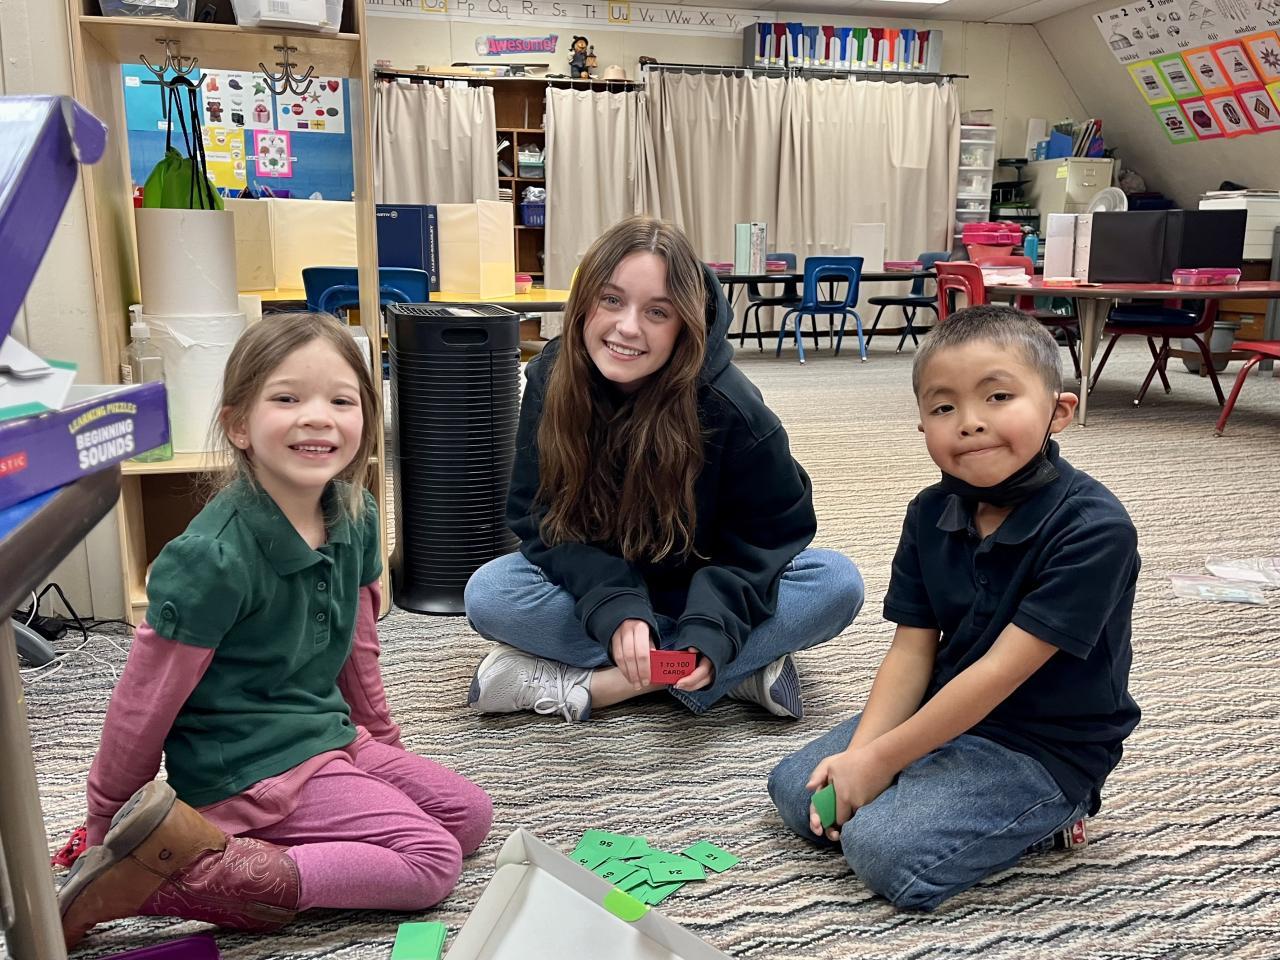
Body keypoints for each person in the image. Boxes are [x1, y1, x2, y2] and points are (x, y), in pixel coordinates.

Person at [59, 313, 492, 948]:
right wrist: (106, 828)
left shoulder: (358, 515)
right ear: (239, 425)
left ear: (367, 419)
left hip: (324, 737)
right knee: (430, 861)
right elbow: (141, 705)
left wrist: (381, 752)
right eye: (287, 398)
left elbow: (358, 654)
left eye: (341, 401)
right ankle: (183, 873)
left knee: (468, 816)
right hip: (244, 770)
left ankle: (233, 845)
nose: (318, 418)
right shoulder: (210, 558)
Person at [768, 305, 1141, 910]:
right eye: (944, 408)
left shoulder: (1095, 530)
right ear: (922, 425)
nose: (970, 423)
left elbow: (998, 675)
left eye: (998, 397)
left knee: (884, 850)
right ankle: (926, 780)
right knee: (794, 790)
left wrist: (881, 762)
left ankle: (1055, 816)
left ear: (1059, 411)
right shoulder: (928, 512)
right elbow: (911, 651)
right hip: (945, 708)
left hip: (1041, 746)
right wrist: (864, 757)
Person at [463, 216, 863, 722]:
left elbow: (769, 539)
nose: (628, 327)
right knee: (491, 592)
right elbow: (536, 516)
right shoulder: (552, 378)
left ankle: (597, 686)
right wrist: (614, 605)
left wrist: (713, 626)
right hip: (602, 584)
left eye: (657, 311)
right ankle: (730, 672)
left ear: (685, 324)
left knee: (836, 583)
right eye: (611, 300)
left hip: (708, 589)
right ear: (584, 302)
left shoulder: (734, 410)